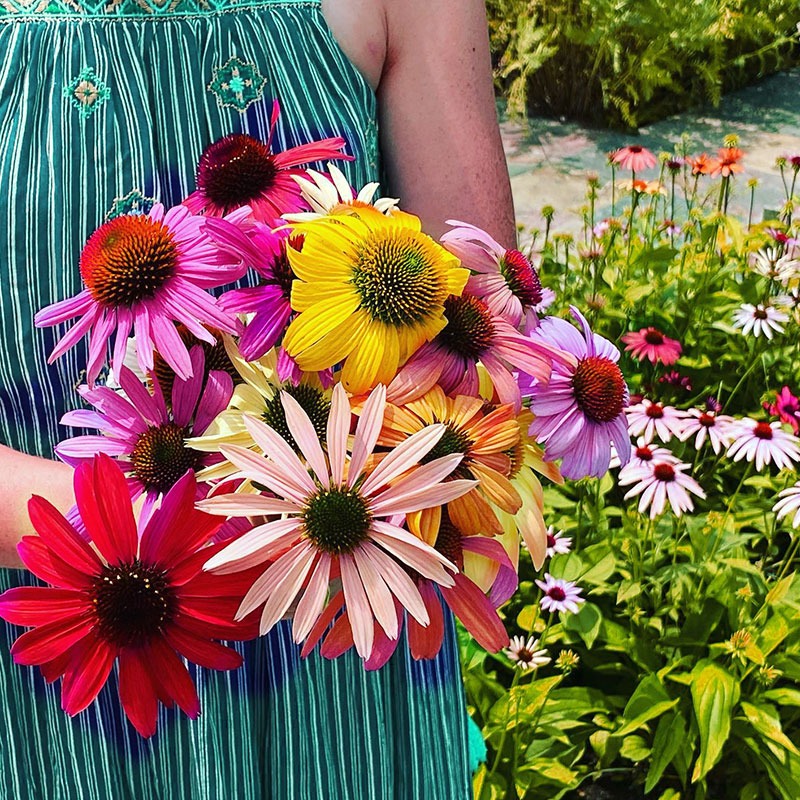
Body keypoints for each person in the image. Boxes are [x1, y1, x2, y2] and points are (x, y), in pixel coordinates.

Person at [0, 0, 515, 796]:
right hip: (69, 633)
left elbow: (479, 338)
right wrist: (170, 533)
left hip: (336, 633)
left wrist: (329, 504)